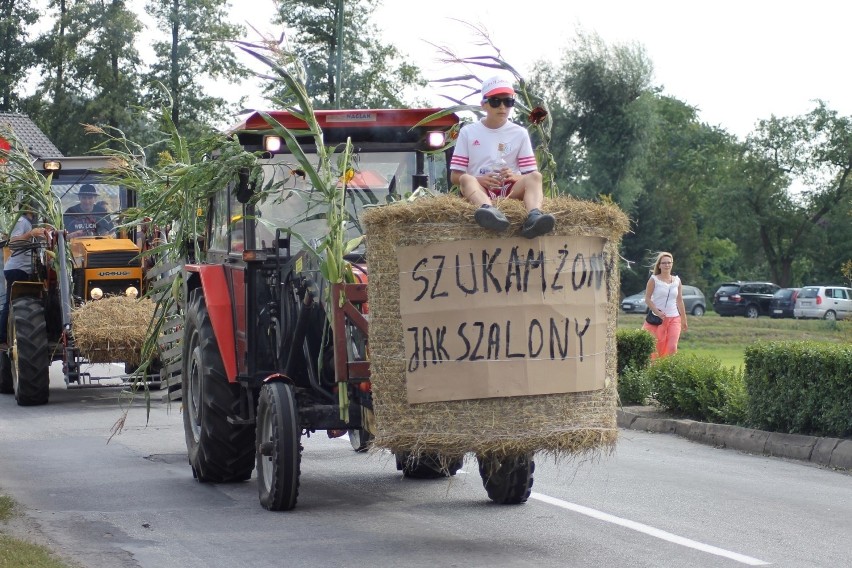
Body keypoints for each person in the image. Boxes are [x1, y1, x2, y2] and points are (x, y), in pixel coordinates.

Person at [450, 75, 555, 239]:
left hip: (509, 190)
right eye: (495, 101)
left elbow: (530, 174)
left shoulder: (519, 133)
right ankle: (488, 211)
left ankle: (534, 216)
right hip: (480, 188)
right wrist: (479, 180)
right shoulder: (468, 132)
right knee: (466, 179)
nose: (502, 107)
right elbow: (455, 176)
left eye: (508, 101)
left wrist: (514, 176)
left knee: (536, 176)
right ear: (484, 105)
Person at [0, 205, 47, 350]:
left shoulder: (29, 222)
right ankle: (2, 338)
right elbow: (13, 243)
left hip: (23, 269)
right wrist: (31, 234)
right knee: (11, 303)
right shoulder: (22, 221)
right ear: (28, 207)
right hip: (17, 268)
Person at [642, 252, 688, 359]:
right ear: (659, 265)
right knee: (655, 348)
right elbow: (647, 299)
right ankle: (655, 369)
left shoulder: (677, 280)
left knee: (672, 348)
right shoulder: (654, 280)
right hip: (657, 319)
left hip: (674, 318)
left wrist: (684, 319)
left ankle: (669, 370)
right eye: (664, 263)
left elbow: (680, 300)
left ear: (672, 264)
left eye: (669, 263)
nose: (667, 265)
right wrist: (657, 312)